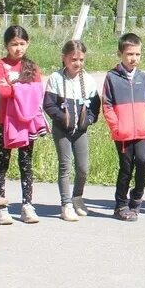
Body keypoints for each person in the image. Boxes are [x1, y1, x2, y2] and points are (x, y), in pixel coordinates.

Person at [0, 25, 44, 225]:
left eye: (22, 44)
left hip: (27, 122)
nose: (18, 48)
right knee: (2, 163)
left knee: (26, 163)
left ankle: (27, 205)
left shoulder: (32, 67)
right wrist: (24, 89)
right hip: (6, 121)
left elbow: (37, 91)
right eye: (14, 44)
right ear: (7, 45)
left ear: (28, 44)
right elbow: (2, 92)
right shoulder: (0, 65)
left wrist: (14, 87)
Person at [45, 39, 101, 222]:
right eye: (73, 59)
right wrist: (63, 118)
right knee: (65, 166)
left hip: (80, 131)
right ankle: (66, 204)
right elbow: (48, 104)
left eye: (81, 60)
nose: (77, 63)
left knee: (83, 168)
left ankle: (77, 198)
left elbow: (95, 105)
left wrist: (89, 119)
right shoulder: (56, 79)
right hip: (62, 130)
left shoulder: (89, 80)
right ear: (64, 58)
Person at [102, 32, 145, 221]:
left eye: (137, 54)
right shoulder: (112, 77)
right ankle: (121, 204)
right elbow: (107, 106)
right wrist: (117, 127)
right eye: (130, 54)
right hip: (123, 133)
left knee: (143, 163)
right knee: (126, 168)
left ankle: (137, 197)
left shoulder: (142, 77)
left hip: (142, 131)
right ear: (120, 54)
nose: (134, 58)